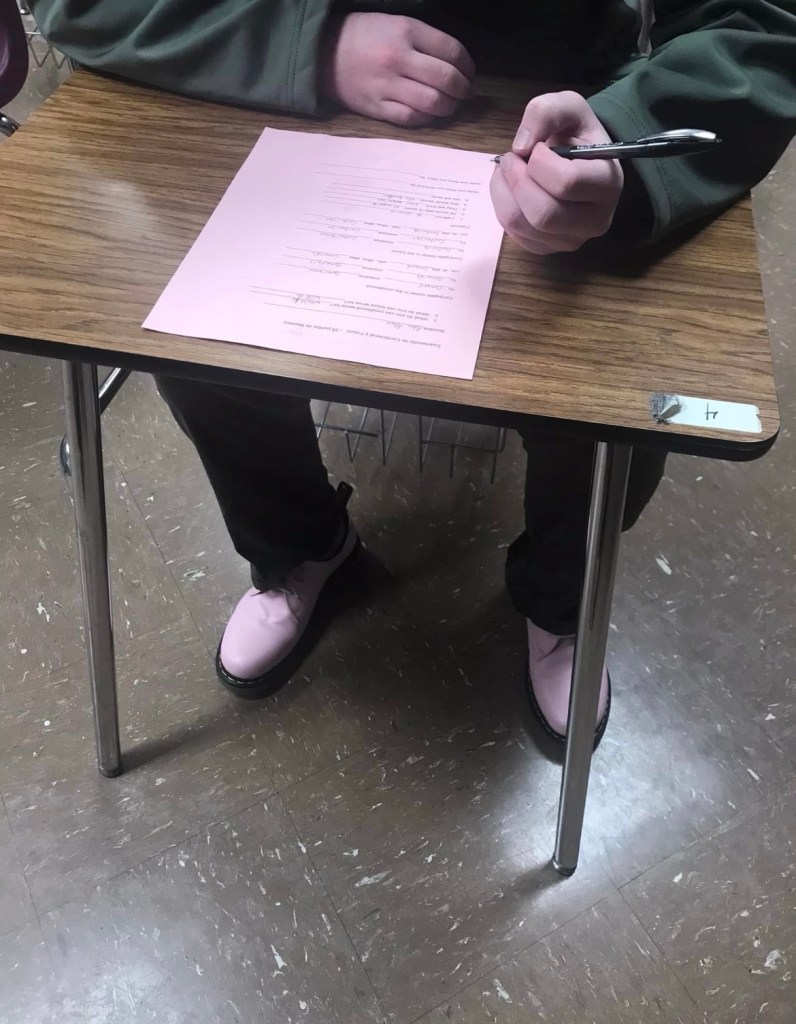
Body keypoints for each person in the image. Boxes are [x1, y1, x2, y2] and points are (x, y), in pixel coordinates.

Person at [31, 0, 796, 743]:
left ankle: (561, 605)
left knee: (614, 389)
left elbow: (761, 24)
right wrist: (307, 46)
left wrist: (628, 138)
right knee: (205, 337)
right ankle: (300, 549)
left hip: (560, 112)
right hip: (275, 93)